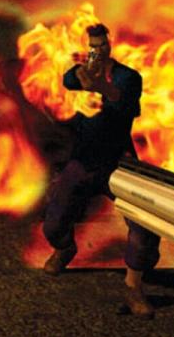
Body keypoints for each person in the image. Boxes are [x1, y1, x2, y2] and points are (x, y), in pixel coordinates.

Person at [39, 23, 161, 317]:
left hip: (117, 161)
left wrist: (100, 86)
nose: (97, 51)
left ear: (110, 44)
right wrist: (84, 74)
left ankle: (133, 287)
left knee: (142, 223)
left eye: (101, 45)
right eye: (92, 47)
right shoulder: (79, 73)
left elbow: (123, 103)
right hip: (83, 160)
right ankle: (65, 249)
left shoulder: (128, 77)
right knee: (54, 223)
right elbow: (68, 80)